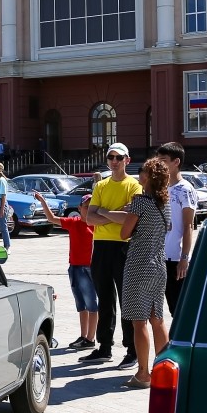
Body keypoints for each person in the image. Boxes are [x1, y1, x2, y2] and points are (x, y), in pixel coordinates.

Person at [106, 156, 170, 390]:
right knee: (158, 319)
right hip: (158, 265)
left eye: (142, 171)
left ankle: (143, 374)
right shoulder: (165, 203)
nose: (139, 174)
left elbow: (124, 233)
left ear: (148, 177)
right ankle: (163, 369)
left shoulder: (140, 202)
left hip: (138, 265)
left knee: (138, 321)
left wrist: (126, 212)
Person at [81, 142, 141, 366]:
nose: (114, 161)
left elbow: (130, 218)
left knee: (127, 300)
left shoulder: (134, 185)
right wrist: (113, 214)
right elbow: (90, 218)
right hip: (102, 245)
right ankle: (104, 347)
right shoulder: (101, 185)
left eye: (118, 157)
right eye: (111, 157)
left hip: (124, 245)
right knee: (104, 298)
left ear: (127, 160)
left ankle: (132, 350)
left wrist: (103, 213)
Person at [37, 193, 97, 349]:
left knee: (92, 304)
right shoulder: (74, 222)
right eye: (86, 206)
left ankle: (91, 338)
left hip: (89, 268)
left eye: (91, 206)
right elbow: (52, 219)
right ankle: (83, 336)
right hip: (75, 267)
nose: (88, 209)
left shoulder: (97, 225)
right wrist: (43, 202)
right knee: (81, 304)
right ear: (79, 208)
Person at [157, 143, 197, 317]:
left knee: (179, 309)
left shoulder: (185, 189)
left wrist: (184, 258)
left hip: (176, 258)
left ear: (176, 162)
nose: (160, 164)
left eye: (164, 161)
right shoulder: (160, 187)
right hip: (158, 256)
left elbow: (189, 226)